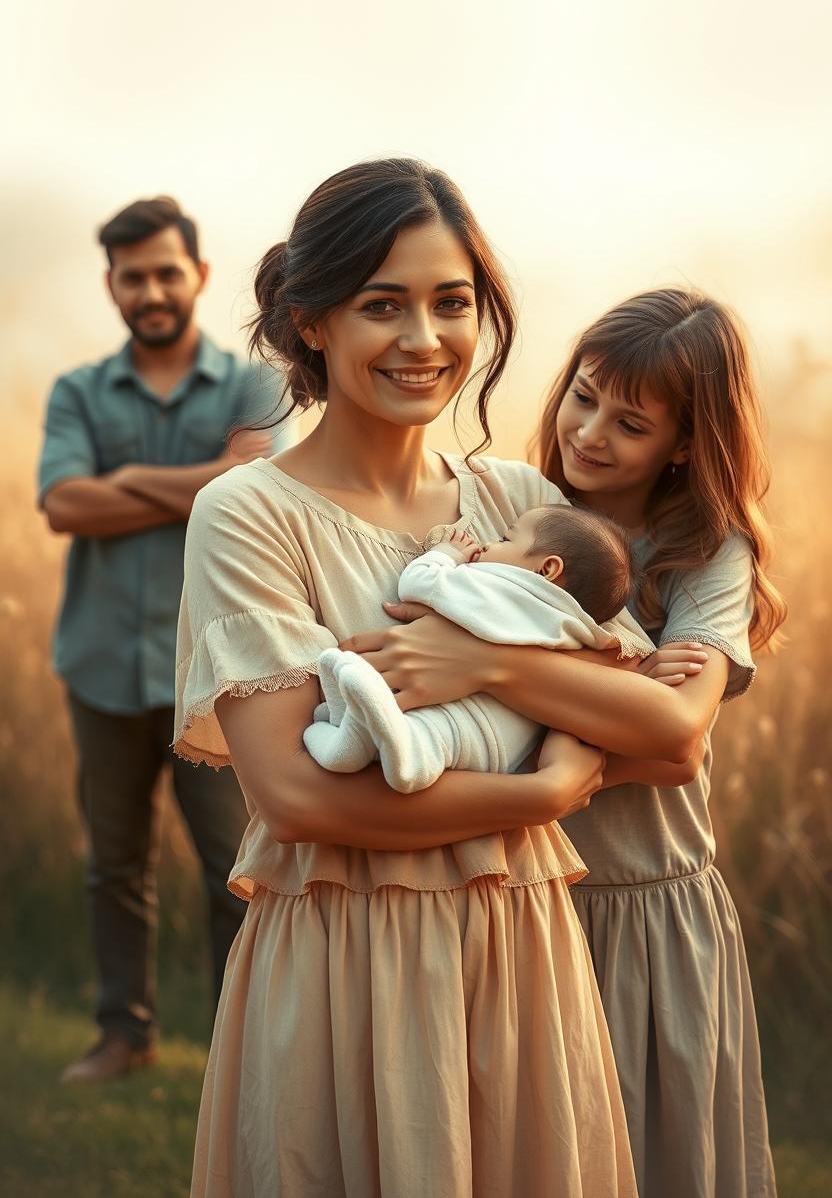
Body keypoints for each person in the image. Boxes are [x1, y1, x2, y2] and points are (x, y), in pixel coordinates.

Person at [170, 159, 696, 1196]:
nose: (424, 339)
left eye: (451, 302)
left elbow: (668, 733)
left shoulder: (519, 500)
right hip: (340, 957)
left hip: (519, 944)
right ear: (311, 320)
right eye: (382, 305)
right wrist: (544, 789)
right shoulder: (246, 514)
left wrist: (489, 659)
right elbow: (297, 791)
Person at [355, 287, 785, 1197]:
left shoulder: (707, 552)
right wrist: (611, 695)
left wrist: (488, 666)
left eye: (630, 423)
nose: (590, 431)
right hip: (514, 895)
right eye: (582, 396)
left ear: (685, 443)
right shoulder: (526, 516)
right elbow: (635, 725)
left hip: (640, 906)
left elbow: (673, 737)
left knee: (637, 1147)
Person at [37, 196, 292, 1084]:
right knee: (114, 867)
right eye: (132, 275)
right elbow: (65, 504)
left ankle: (243, 1051)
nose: (150, 289)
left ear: (199, 276)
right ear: (112, 284)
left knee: (234, 868)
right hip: (101, 668)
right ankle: (124, 1034)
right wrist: (198, 480)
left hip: (212, 679)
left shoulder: (254, 384)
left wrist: (133, 482)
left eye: (165, 271)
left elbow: (258, 482)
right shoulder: (77, 391)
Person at [304, 506, 653, 793]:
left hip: (445, 719)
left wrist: (446, 554)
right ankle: (353, 739)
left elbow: (417, 583)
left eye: (505, 538)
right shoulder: (577, 628)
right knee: (428, 736)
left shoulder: (496, 584)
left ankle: (379, 743)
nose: (487, 545)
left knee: (420, 734)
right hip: (501, 750)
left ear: (546, 569)